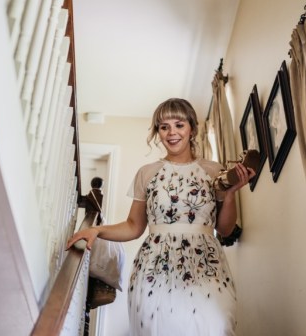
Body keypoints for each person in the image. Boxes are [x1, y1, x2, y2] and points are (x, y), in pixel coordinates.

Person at [66, 98, 255, 336]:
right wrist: (97, 230)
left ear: (192, 128)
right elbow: (133, 227)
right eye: (164, 127)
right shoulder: (147, 173)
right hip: (155, 266)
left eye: (179, 125)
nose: (172, 132)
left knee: (216, 325)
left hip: (206, 265)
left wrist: (229, 196)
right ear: (158, 132)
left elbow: (226, 229)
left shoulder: (214, 171)